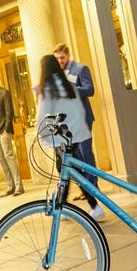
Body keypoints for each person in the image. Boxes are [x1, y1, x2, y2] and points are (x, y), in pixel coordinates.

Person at [36, 54, 104, 220]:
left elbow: (43, 116)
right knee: (70, 172)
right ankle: (68, 206)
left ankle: (90, 206)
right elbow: (79, 112)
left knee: (69, 171)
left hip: (61, 139)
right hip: (74, 136)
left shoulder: (47, 89)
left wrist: (44, 135)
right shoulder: (69, 85)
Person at [54, 43, 100, 201]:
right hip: (69, 122)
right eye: (57, 59)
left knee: (86, 154)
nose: (60, 61)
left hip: (83, 118)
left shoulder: (81, 69)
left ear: (68, 55)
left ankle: (94, 189)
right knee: (76, 158)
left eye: (62, 58)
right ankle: (86, 190)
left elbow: (90, 89)